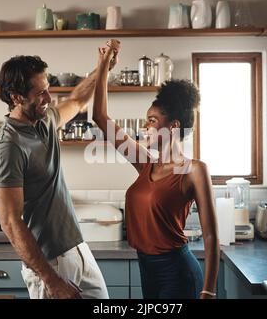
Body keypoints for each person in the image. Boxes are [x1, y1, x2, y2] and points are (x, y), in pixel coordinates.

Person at [92, 40, 220, 299]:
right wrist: (103, 65)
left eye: (152, 120)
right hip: (147, 269)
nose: (144, 125)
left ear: (172, 126)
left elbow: (210, 235)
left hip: (178, 272)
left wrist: (208, 290)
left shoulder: (194, 170)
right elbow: (100, 119)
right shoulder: (144, 161)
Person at [0, 45, 117, 299]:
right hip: (50, 262)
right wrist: (51, 280)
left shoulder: (43, 120)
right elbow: (10, 222)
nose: (48, 98)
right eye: (40, 93)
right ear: (16, 96)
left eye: (47, 89)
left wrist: (102, 67)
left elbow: (78, 100)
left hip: (76, 247)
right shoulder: (8, 145)